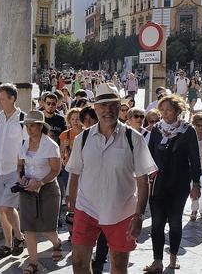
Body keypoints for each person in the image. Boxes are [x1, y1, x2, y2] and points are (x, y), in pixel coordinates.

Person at [67, 82, 157, 274]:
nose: (108, 110)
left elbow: (143, 180)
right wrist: (72, 206)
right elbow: (74, 174)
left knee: (118, 264)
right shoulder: (82, 139)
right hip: (87, 208)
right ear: (95, 108)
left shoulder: (134, 139)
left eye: (113, 105)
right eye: (103, 105)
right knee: (79, 263)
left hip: (121, 210)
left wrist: (139, 216)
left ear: (120, 107)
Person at [144, 94, 201, 273]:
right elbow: (148, 155)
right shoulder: (156, 130)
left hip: (179, 184)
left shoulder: (187, 130)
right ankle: (157, 261)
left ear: (177, 110)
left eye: (168, 109)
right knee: (157, 223)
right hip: (158, 184)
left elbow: (194, 158)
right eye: (162, 109)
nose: (164, 113)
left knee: (175, 222)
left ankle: (173, 257)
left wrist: (196, 183)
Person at [17, 111, 63, 274]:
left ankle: (57, 243)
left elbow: (56, 170)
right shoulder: (24, 144)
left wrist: (40, 182)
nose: (29, 129)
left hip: (48, 189)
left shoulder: (51, 145)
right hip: (28, 189)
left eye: (32, 125)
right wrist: (21, 179)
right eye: (27, 126)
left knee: (47, 228)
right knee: (28, 228)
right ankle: (33, 263)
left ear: (40, 127)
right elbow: (20, 165)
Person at [0, 83, 27, 258]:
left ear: (12, 99)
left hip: (13, 171)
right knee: (1, 209)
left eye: (2, 99)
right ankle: (8, 244)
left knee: (6, 206)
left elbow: (25, 146)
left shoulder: (23, 118)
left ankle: (19, 236)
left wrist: (22, 170)